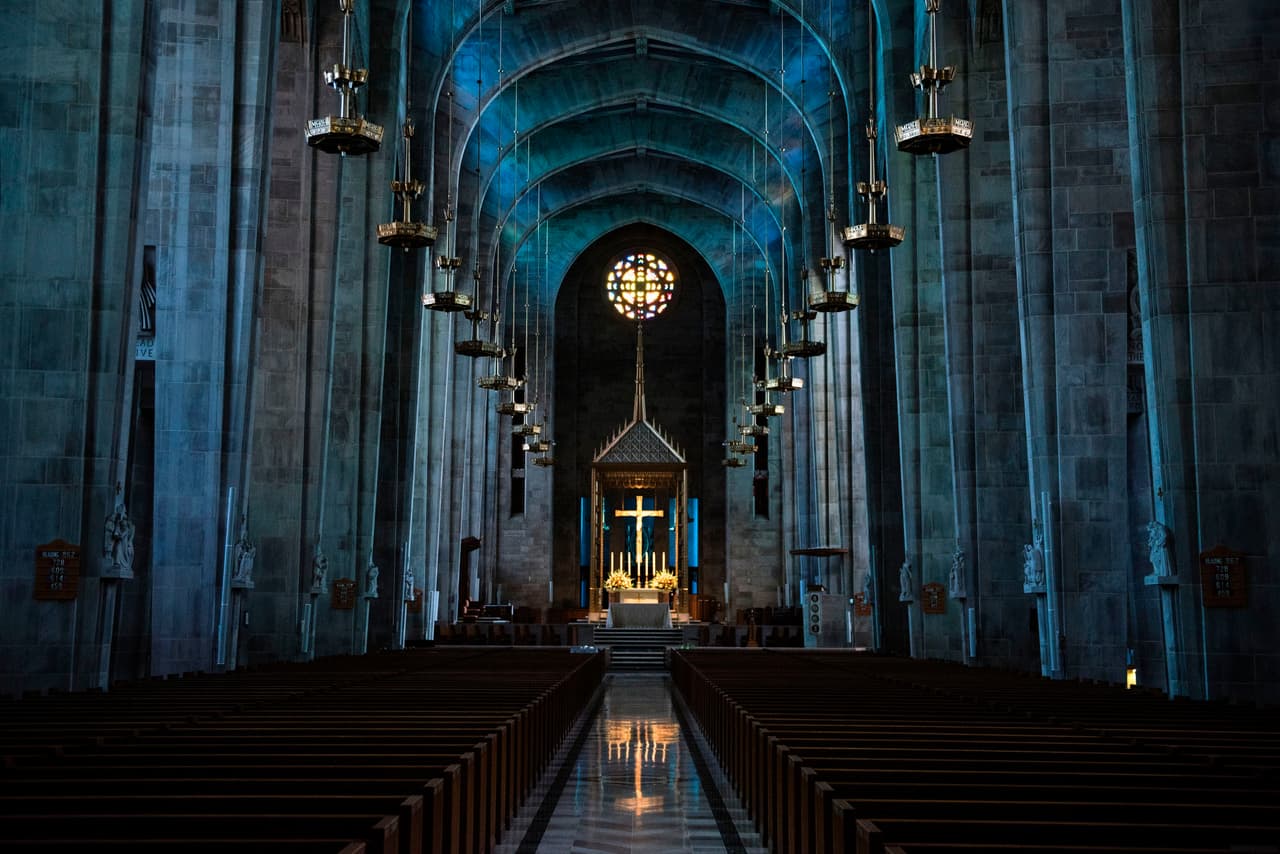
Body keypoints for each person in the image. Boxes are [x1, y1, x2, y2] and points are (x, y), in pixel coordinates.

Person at [232, 516, 255, 585]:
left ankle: (244, 576)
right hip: (240, 558)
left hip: (244, 559)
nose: (245, 537)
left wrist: (247, 552)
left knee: (248, 561)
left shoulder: (246, 544)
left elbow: (249, 551)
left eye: (245, 536)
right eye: (244, 536)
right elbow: (238, 553)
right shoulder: (239, 545)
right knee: (241, 563)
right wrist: (243, 553)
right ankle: (239, 575)